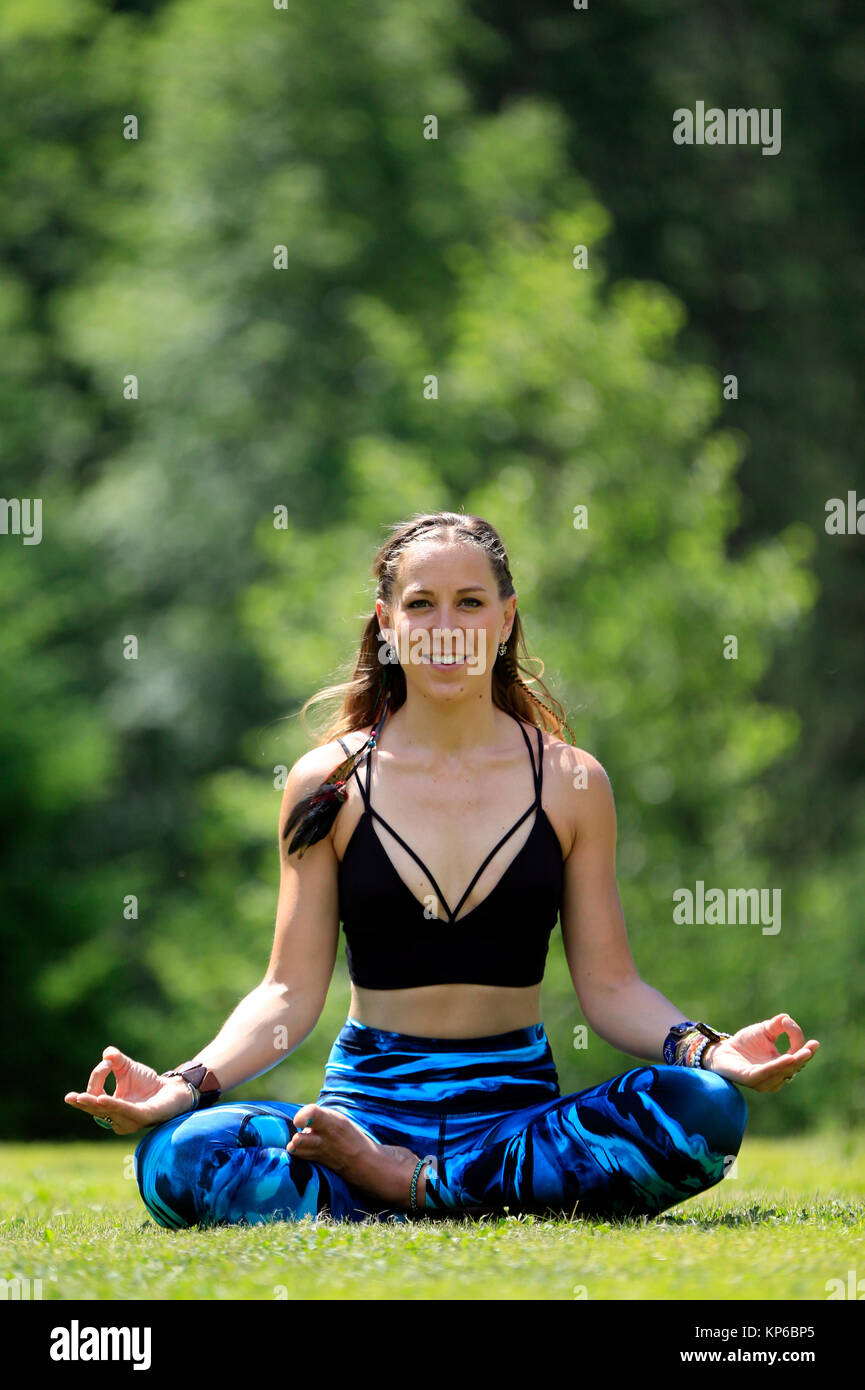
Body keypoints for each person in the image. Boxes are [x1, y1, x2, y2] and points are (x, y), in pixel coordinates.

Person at [64, 511, 819, 1229]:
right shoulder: (326, 782)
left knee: (705, 1107)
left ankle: (404, 1186)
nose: (446, 630)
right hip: (362, 1112)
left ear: (506, 616)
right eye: (421, 605)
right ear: (387, 622)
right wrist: (182, 1084)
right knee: (179, 1156)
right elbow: (288, 991)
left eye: (469, 603)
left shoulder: (571, 782)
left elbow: (611, 987)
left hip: (514, 1117)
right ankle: (444, 1188)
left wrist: (709, 1050)